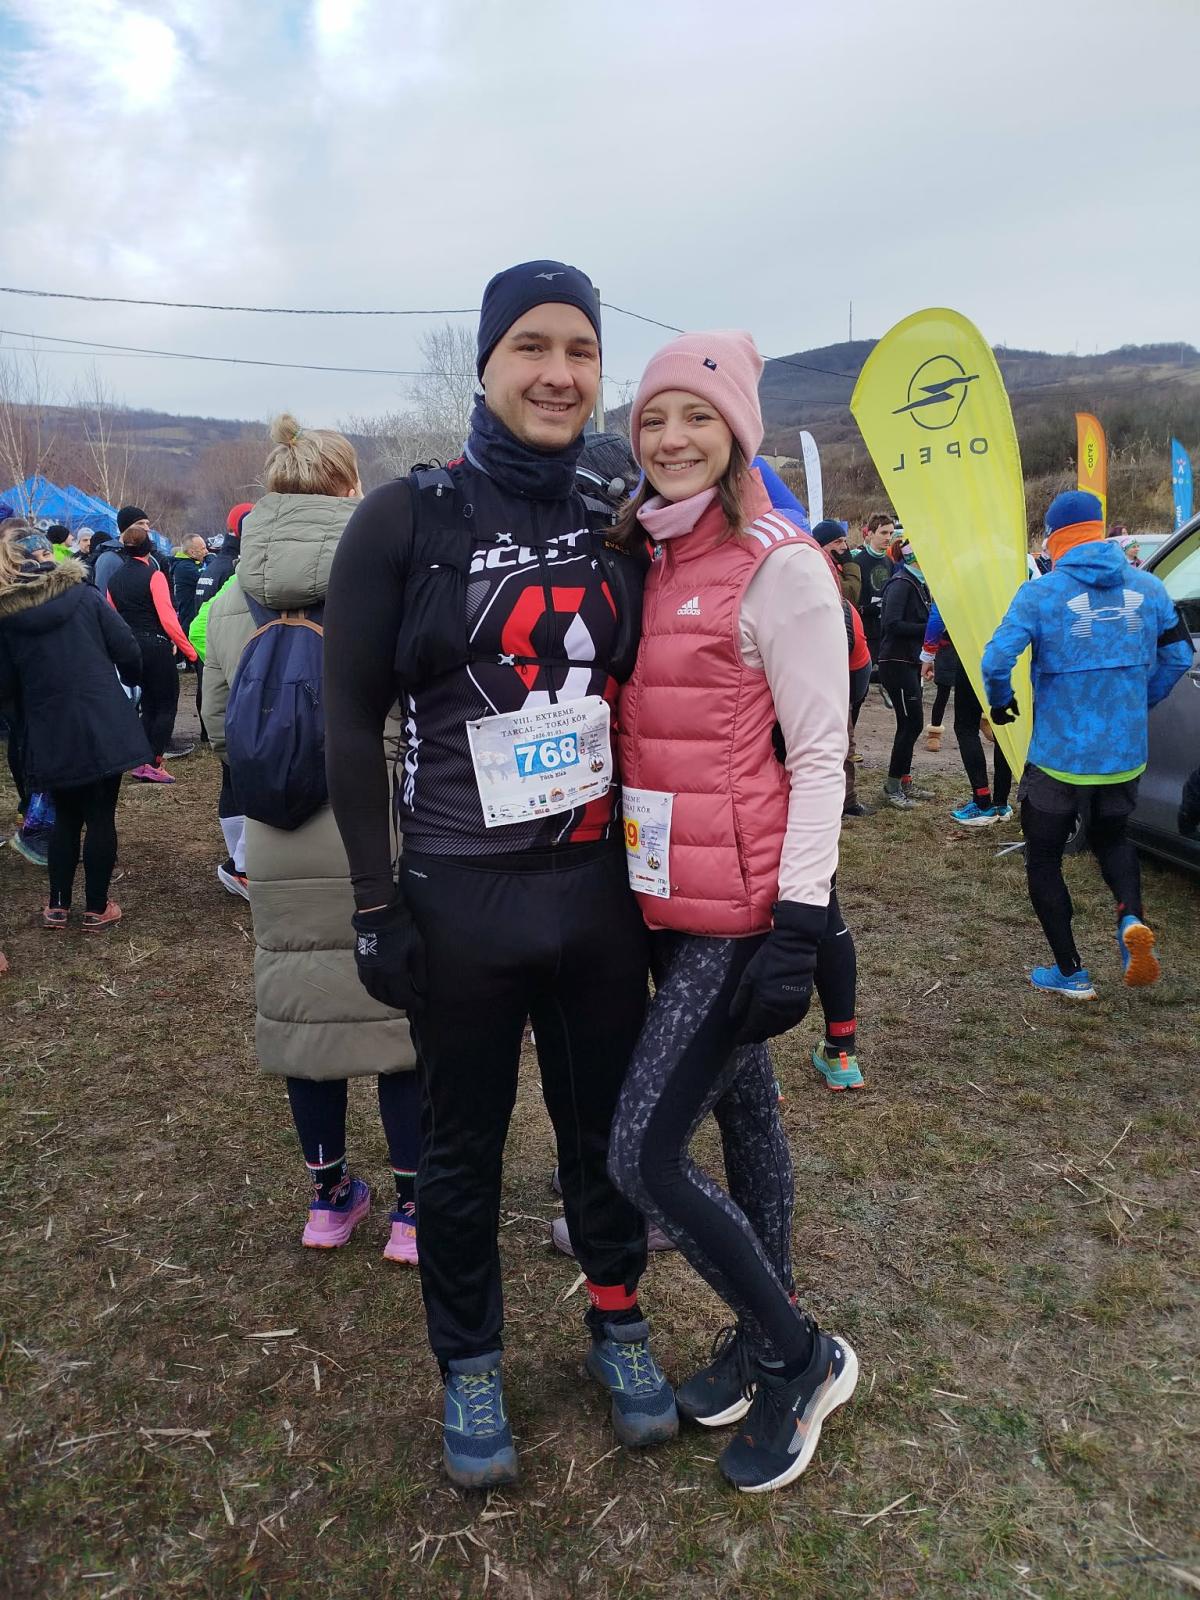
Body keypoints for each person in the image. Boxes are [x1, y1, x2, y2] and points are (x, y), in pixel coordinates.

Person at [324, 261, 674, 1489]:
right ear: (486, 364)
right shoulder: (403, 518)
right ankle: (470, 1363)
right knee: (462, 1152)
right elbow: (347, 719)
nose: (558, 373)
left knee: (607, 1135)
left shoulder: (626, 513)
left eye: (581, 349)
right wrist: (374, 904)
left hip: (595, 893)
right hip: (460, 900)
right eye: (532, 346)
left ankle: (618, 1320)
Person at [608, 331, 858, 1495]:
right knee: (748, 1124)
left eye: (696, 417)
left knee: (642, 1155)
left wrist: (798, 925)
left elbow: (821, 756)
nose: (671, 438)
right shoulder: (656, 555)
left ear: (739, 433)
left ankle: (801, 1357)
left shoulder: (779, 563)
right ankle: (768, 1335)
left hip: (743, 916)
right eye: (653, 418)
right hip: (670, 904)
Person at [201, 415, 422, 1266]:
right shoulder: (384, 574)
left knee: (303, 1014)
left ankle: (329, 1201)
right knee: (397, 1017)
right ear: (348, 485)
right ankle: (413, 1210)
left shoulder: (233, 595)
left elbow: (218, 720)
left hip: (277, 829)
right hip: (378, 824)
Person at [983, 490, 1193, 998]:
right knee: (1113, 840)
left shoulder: (1041, 593)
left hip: (1058, 756)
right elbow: (1180, 655)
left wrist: (1002, 702)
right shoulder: (1149, 587)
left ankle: (1070, 971)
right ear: (1101, 531)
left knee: (1043, 858)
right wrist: (1138, 701)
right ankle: (1130, 922)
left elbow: (996, 659)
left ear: (1054, 538)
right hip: (1122, 754)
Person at [0, 522, 149, 930]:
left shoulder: (7, 617)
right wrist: (131, 681)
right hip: (101, 719)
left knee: (65, 815)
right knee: (101, 816)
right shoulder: (84, 595)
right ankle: (97, 907)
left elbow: (5, 686)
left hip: (49, 727)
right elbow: (127, 648)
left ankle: (58, 906)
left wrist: (24, 718)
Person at [105, 505, 198, 782]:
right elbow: (168, 618)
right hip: (156, 646)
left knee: (147, 704)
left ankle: (142, 761)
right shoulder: (154, 576)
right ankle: (155, 761)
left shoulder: (114, 580)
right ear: (148, 547)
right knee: (166, 705)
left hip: (131, 649)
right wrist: (190, 652)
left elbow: (112, 618)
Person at [922, 603, 1012, 826]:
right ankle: (1001, 802)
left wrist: (928, 654)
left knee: (965, 727)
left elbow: (941, 609)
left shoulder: (960, 576)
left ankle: (982, 802)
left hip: (974, 652)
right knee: (1004, 727)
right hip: (1010, 650)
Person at [877, 538, 932, 808]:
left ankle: (904, 779)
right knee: (911, 723)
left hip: (910, 661)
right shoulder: (901, 583)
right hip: (896, 661)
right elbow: (892, 624)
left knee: (911, 723)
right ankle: (892, 787)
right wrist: (930, 629)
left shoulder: (917, 583)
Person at [852, 511, 895, 662]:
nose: (888, 537)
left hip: (884, 630)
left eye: (891, 533)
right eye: (883, 533)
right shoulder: (857, 562)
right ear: (870, 534)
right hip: (864, 631)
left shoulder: (889, 562)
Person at [811, 519, 861, 607]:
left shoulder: (834, 565)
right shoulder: (821, 569)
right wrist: (849, 563)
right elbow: (851, 595)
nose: (845, 547)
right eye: (837, 542)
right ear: (821, 545)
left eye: (845, 541)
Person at [171, 535, 210, 635]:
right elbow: (209, 579)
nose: (207, 552)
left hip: (194, 620)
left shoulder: (192, 564)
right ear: (192, 553)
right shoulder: (184, 567)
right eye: (203, 549)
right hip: (190, 623)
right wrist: (212, 561)